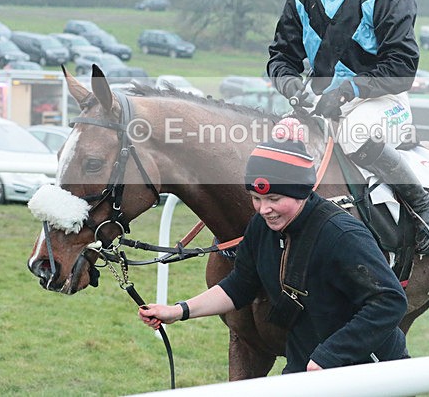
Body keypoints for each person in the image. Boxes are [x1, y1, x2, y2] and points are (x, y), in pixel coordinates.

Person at [139, 132, 409, 373]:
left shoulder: (343, 235)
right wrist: (177, 311)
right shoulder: (261, 226)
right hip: (305, 365)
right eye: (256, 199)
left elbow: (390, 301)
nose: (263, 209)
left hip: (369, 370)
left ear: (302, 193)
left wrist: (332, 355)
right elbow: (240, 285)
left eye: (274, 199)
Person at [266, 0, 429, 252]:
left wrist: (348, 90)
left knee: (354, 134)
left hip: (382, 101)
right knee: (273, 143)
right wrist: (291, 87)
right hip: (320, 104)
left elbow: (402, 68)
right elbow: (281, 57)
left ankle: (424, 207)